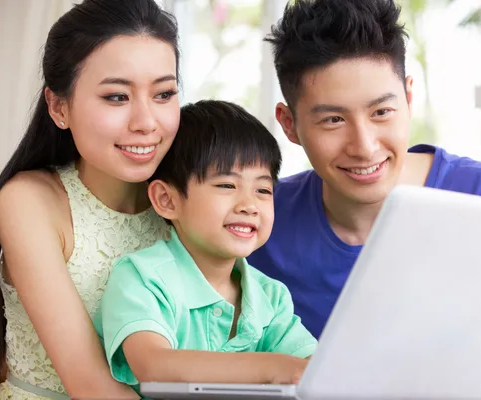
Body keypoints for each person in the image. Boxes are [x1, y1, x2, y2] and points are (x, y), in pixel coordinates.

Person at [246, 0, 481, 399]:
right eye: (333, 120)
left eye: (381, 112)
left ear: (409, 98)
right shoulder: (262, 218)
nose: (364, 146)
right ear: (289, 125)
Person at [0, 0, 180, 398]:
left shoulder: (182, 204)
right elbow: (90, 385)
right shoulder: (29, 201)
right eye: (117, 97)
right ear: (59, 106)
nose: (146, 122)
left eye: (164, 93)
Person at [94, 100, 316, 394]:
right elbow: (152, 365)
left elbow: (311, 365)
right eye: (227, 185)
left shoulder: (271, 297)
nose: (249, 205)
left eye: (263, 190)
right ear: (167, 200)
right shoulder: (143, 277)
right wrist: (271, 368)